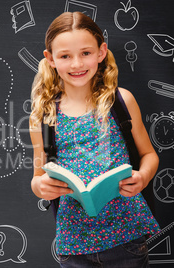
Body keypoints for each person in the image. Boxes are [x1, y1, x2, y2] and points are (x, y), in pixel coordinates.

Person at [29, 12, 160, 267]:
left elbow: (149, 155)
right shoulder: (43, 116)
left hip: (127, 236)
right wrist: (40, 187)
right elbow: (36, 177)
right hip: (74, 242)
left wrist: (143, 177)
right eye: (65, 56)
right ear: (51, 59)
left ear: (101, 52)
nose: (77, 64)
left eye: (85, 53)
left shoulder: (121, 101)